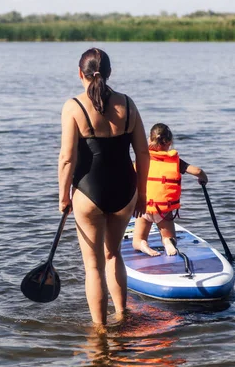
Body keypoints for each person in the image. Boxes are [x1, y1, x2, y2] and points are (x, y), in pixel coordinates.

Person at [58, 48, 150, 328]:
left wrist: (63, 197)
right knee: (114, 254)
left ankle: (100, 332)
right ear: (110, 73)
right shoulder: (128, 104)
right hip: (125, 190)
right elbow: (143, 154)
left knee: (93, 266)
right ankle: (123, 316)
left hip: (89, 192)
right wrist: (142, 195)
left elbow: (67, 158)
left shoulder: (74, 106)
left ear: (79, 73)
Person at [132, 123, 208, 257]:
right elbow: (198, 171)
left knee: (137, 241)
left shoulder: (142, 159)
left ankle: (143, 245)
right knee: (169, 237)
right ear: (170, 142)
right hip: (164, 210)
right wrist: (203, 178)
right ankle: (168, 242)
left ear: (150, 139)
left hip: (144, 207)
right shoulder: (175, 161)